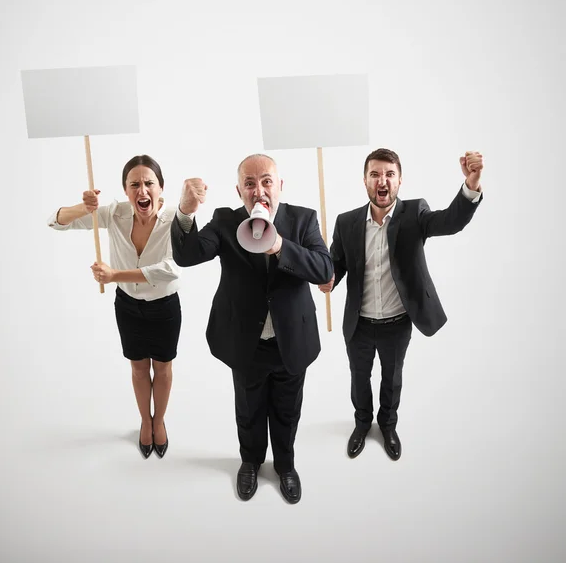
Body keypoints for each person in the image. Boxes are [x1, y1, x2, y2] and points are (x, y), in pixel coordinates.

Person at [171, 153, 332, 504]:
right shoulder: (226, 221)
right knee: (249, 410)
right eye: (249, 183)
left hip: (291, 341)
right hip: (246, 342)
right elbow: (186, 256)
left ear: (279, 186)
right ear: (239, 190)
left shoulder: (303, 219)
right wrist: (185, 212)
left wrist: (280, 247)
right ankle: (250, 462)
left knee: (288, 411)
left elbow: (324, 269)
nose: (258, 190)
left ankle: (286, 466)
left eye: (266, 181)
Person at [319, 148, 483, 461]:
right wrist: (329, 279)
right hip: (359, 324)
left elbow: (450, 222)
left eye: (389, 174)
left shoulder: (415, 214)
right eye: (375, 174)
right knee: (359, 378)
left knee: (392, 379)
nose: (382, 180)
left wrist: (471, 185)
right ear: (365, 181)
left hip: (397, 322)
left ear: (399, 181)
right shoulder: (346, 221)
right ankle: (362, 423)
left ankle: (388, 424)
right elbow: (336, 263)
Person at [47, 155, 182, 460]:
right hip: (128, 306)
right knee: (137, 367)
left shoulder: (176, 218)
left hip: (165, 307)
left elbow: (172, 269)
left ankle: (158, 421)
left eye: (149, 183)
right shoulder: (114, 214)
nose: (142, 190)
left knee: (162, 367)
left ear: (161, 188)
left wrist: (115, 275)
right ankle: (144, 422)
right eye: (134, 184)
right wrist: (85, 208)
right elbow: (56, 222)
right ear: (125, 190)